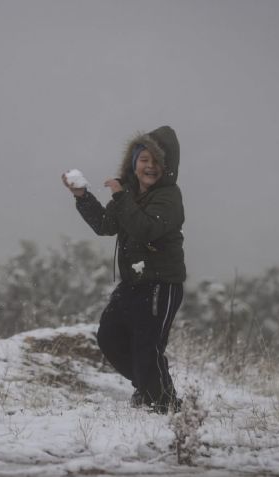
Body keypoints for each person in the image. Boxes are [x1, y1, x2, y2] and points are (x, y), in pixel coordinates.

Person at [62, 126, 186, 414]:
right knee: (110, 337)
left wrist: (120, 196)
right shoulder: (130, 193)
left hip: (160, 284)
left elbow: (145, 229)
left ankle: (161, 404)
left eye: (156, 161)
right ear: (133, 162)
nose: (150, 166)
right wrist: (82, 196)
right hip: (133, 282)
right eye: (144, 159)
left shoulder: (169, 197)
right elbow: (106, 225)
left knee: (147, 346)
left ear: (166, 166)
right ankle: (151, 387)